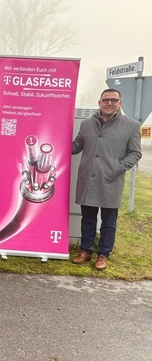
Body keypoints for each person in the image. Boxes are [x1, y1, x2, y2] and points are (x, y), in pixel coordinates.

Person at [71, 88, 141, 270]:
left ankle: (103, 254)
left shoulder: (131, 126)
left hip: (111, 180)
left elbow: (135, 153)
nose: (109, 103)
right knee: (87, 218)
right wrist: (55, 141)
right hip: (88, 179)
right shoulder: (86, 124)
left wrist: (117, 167)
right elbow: (77, 146)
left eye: (114, 100)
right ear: (99, 103)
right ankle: (86, 251)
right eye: (106, 100)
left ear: (120, 103)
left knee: (109, 222)